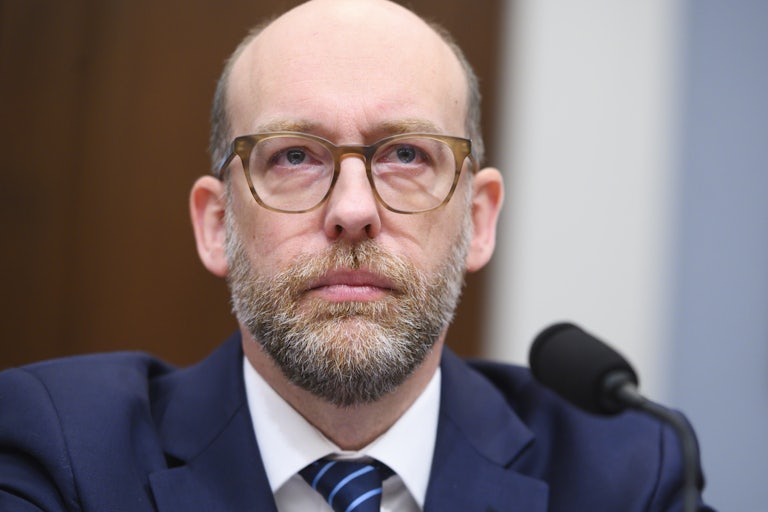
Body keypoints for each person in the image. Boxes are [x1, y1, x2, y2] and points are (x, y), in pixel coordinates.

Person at [0, 0, 713, 510]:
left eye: (405, 154)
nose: (351, 211)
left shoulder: (628, 472)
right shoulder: (61, 451)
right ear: (217, 224)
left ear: (479, 219)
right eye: (295, 156)